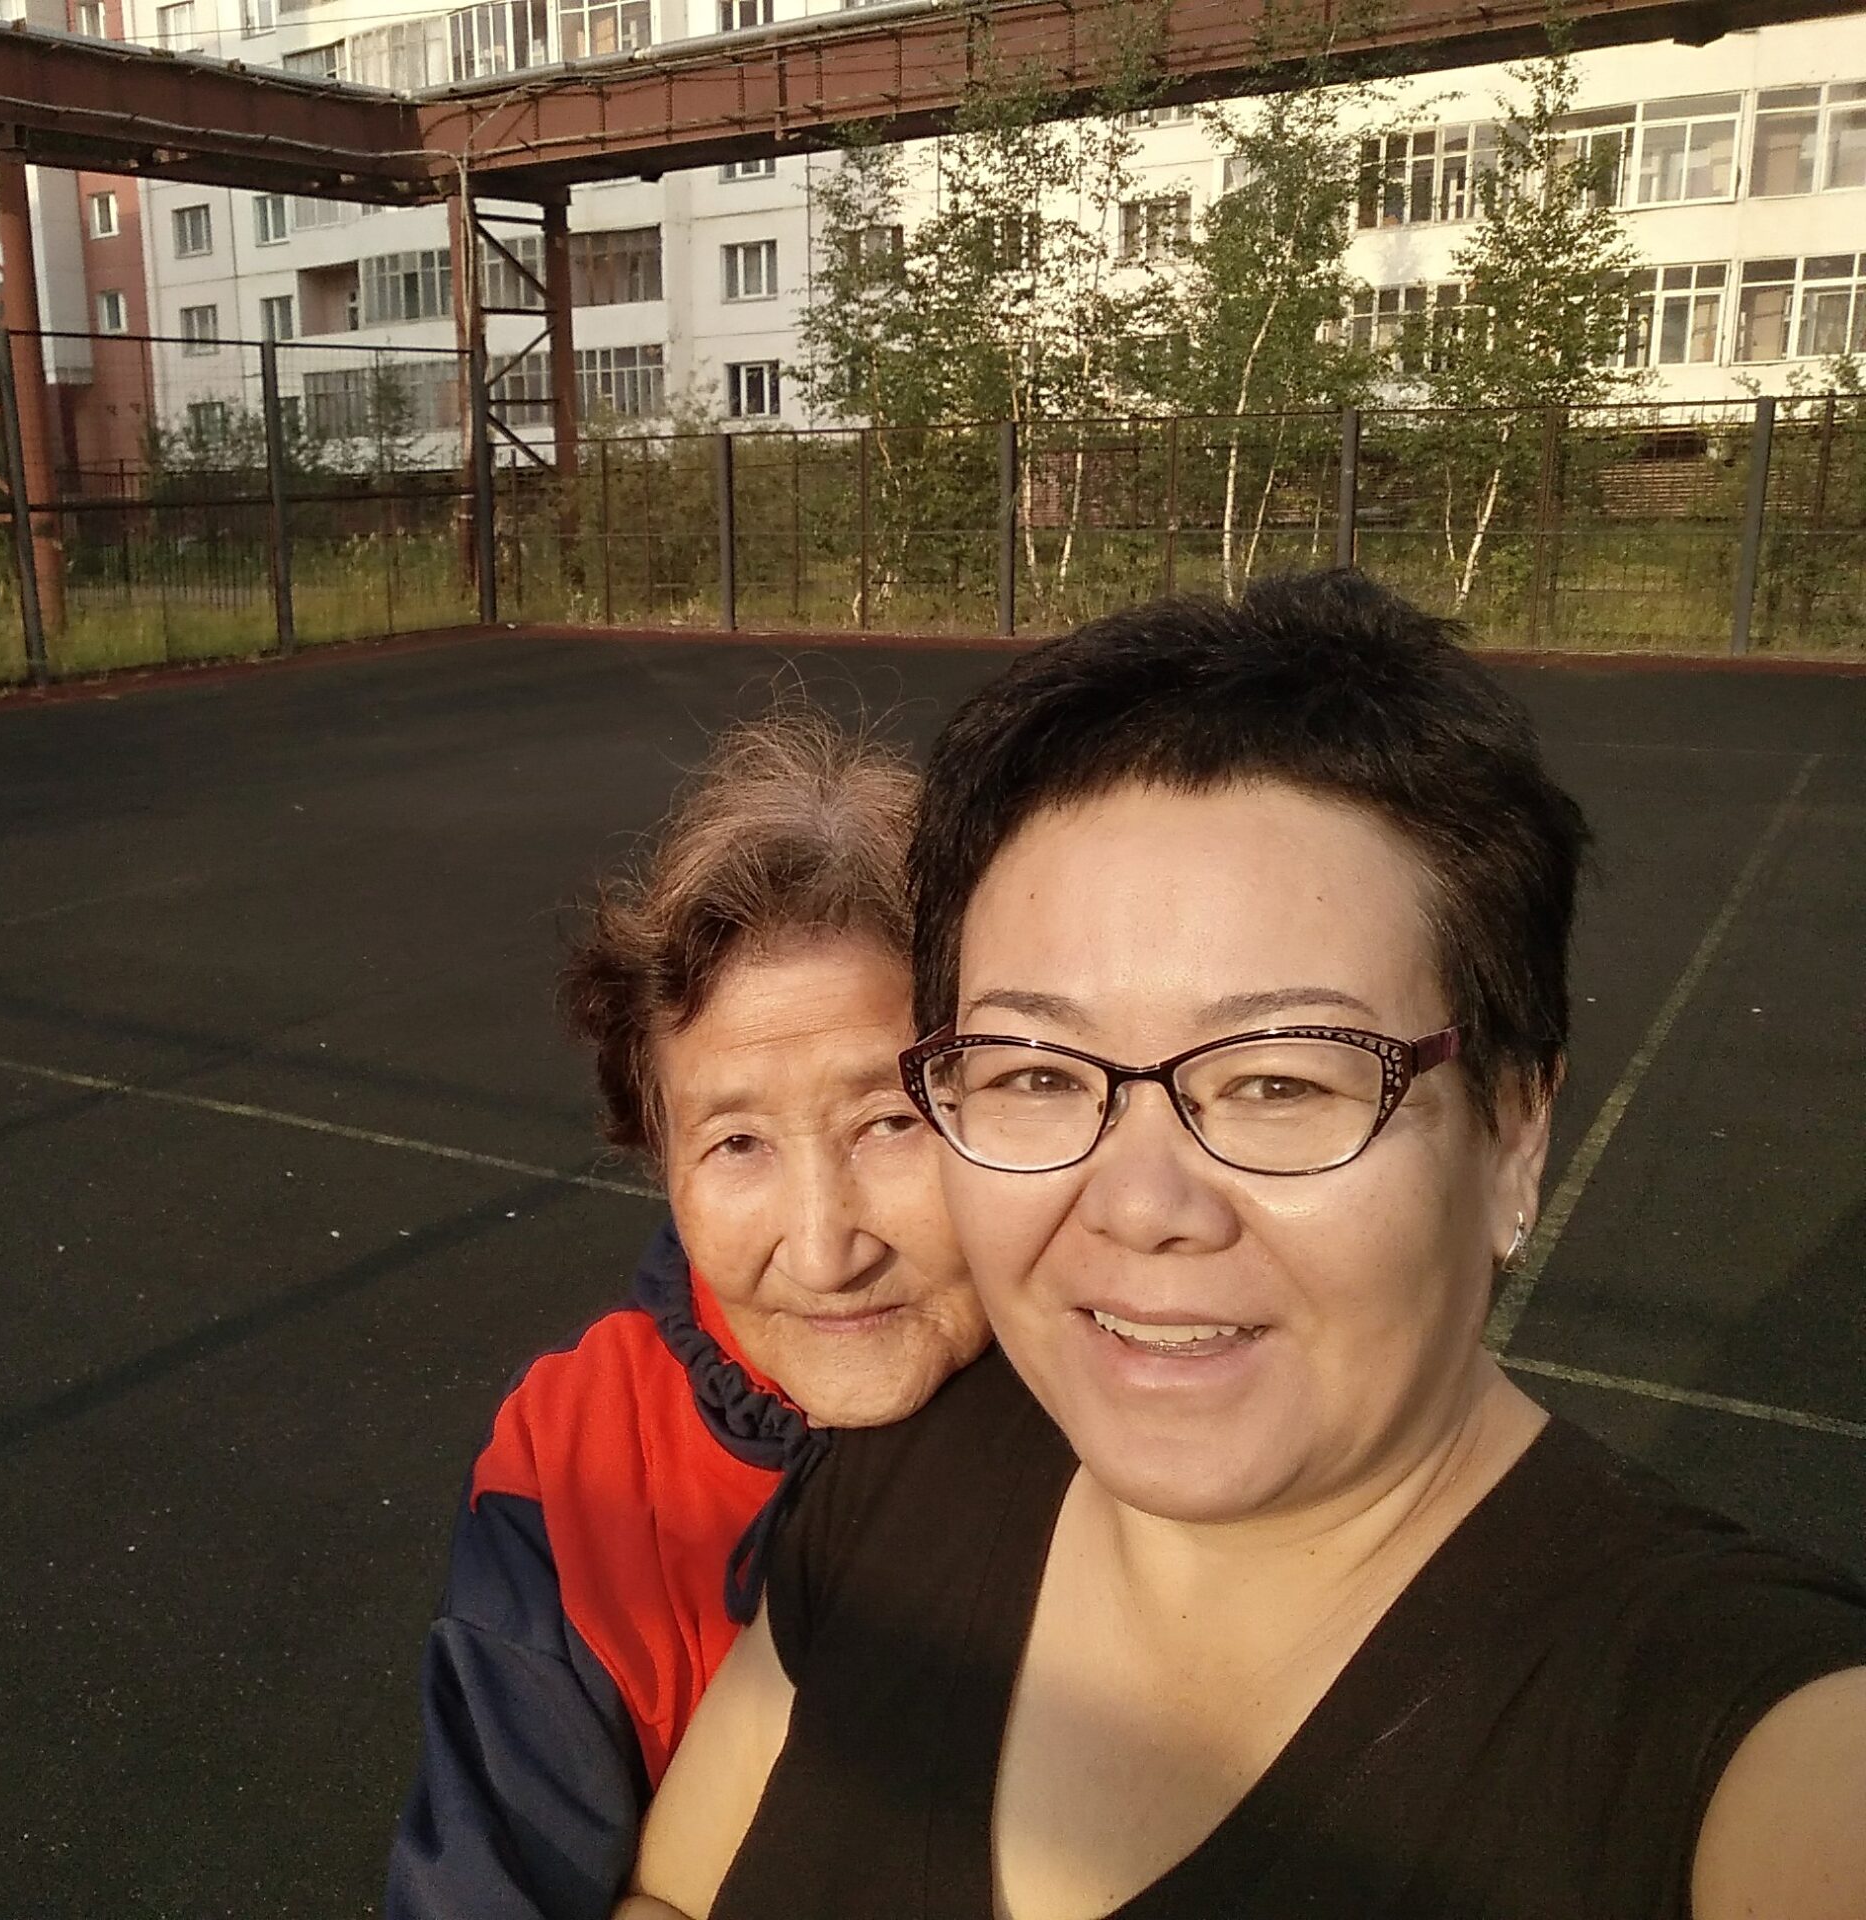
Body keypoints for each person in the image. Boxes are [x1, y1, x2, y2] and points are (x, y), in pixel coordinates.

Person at [626, 572, 1866, 1920]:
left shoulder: (1739, 1749)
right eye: (1038, 1072)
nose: (1140, 1202)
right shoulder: (898, 1474)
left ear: (1512, 1133)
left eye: (1280, 1080)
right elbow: (674, 1897)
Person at [385, 709, 993, 1920]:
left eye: (891, 1122)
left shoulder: (1132, 1408)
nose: (823, 1248)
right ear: (657, 1158)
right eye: (737, 1143)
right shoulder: (572, 1460)